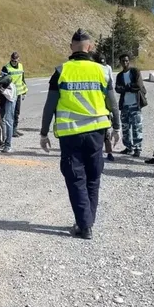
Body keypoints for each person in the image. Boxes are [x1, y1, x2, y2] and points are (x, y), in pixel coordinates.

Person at [40, 29, 121, 240]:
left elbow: (49, 106)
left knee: (76, 179)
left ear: (71, 47)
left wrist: (43, 132)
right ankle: (87, 222)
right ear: (91, 47)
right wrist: (118, 127)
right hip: (96, 133)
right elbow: (113, 103)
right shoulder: (102, 71)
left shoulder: (61, 71)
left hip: (71, 134)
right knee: (93, 178)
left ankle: (85, 225)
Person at [114, 54, 147, 157]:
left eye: (127, 61)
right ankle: (128, 147)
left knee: (136, 128)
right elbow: (117, 89)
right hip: (125, 105)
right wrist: (128, 87)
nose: (125, 63)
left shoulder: (135, 72)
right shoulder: (119, 75)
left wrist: (126, 87)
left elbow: (138, 85)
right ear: (120, 62)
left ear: (129, 61)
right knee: (125, 128)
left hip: (135, 105)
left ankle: (137, 148)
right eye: (123, 61)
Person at [93, 52, 116, 162]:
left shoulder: (107, 72)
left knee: (106, 133)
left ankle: (109, 152)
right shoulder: (93, 74)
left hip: (103, 109)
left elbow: (110, 98)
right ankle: (100, 153)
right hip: (96, 108)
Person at [2, 52, 28, 138]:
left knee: (17, 112)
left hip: (18, 93)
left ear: (18, 60)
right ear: (10, 59)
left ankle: (14, 129)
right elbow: (2, 80)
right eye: (12, 61)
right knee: (10, 113)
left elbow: (22, 79)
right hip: (10, 94)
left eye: (15, 61)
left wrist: (24, 91)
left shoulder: (20, 66)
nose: (14, 62)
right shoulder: (6, 67)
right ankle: (8, 131)